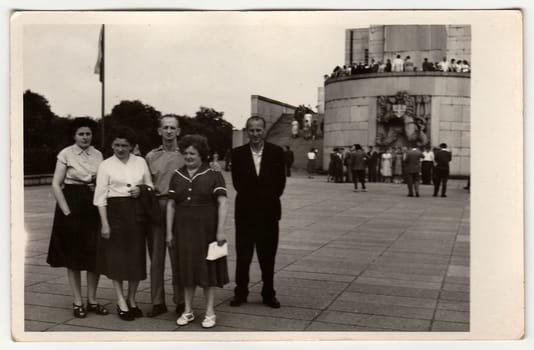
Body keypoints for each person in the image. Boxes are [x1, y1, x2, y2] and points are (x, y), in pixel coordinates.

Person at [46, 117, 108, 319]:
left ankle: (92, 300)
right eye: (81, 134)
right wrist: (66, 212)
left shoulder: (98, 154)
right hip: (72, 205)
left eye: (88, 133)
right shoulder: (65, 153)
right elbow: (56, 184)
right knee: (73, 256)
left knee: (94, 255)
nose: (85, 137)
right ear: (74, 135)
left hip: (93, 205)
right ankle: (77, 301)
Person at [166, 134, 229, 329]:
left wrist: (220, 231)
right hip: (183, 230)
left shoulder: (213, 174)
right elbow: (171, 205)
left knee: (207, 271)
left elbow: (223, 202)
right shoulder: (177, 175)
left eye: (192, 153)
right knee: (186, 270)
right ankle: (188, 310)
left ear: (201, 154)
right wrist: (169, 232)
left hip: (206, 230)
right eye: (185, 153)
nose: (189, 156)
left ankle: (210, 311)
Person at [94, 127, 154, 321]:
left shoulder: (141, 161)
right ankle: (120, 300)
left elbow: (150, 185)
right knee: (117, 259)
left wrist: (141, 189)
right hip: (115, 213)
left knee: (136, 257)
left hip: (136, 213)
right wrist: (105, 224)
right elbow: (100, 196)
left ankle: (132, 299)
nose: (120, 149)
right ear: (112, 145)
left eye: (125, 145)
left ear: (132, 146)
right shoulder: (106, 165)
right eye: (117, 145)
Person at [230, 116, 286, 309]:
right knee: (243, 255)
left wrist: (263, 201)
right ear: (247, 131)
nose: (255, 134)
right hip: (245, 213)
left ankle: (269, 293)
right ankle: (241, 292)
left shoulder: (276, 152)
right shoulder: (237, 154)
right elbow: (238, 184)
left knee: (267, 256)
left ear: (264, 130)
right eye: (251, 130)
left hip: (269, 213)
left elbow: (280, 184)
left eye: (258, 130)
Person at [144, 115, 185, 318]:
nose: (169, 131)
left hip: (179, 207)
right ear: (159, 131)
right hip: (157, 206)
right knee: (156, 258)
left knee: (178, 257)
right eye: (165, 127)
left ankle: (181, 300)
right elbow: (146, 183)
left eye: (173, 128)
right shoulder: (151, 156)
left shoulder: (185, 155)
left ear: (178, 131)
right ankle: (157, 302)